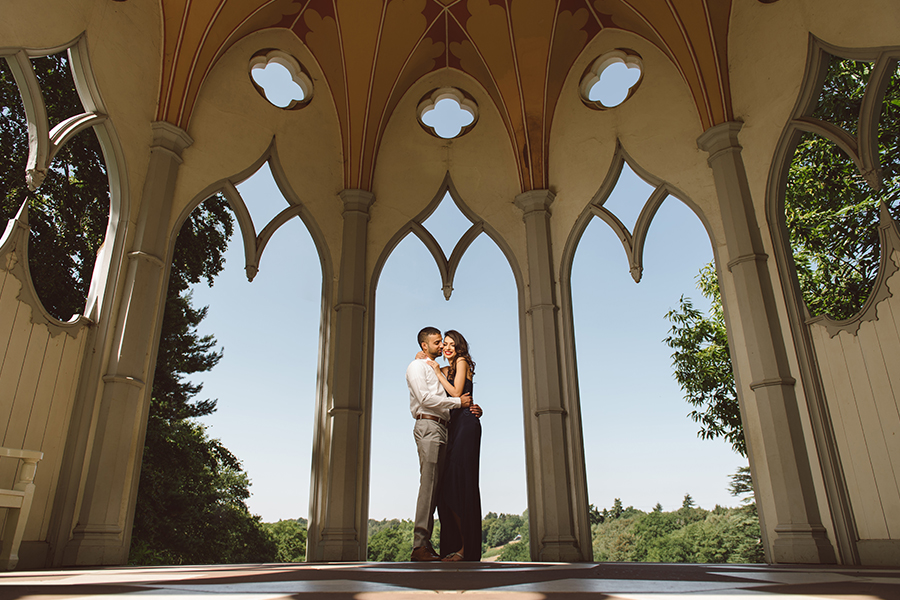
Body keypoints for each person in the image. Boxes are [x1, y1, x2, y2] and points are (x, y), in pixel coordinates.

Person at [406, 326, 472, 562]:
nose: (442, 347)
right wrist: (457, 403)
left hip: (443, 428)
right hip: (428, 426)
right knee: (428, 485)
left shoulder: (435, 368)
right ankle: (419, 546)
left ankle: (429, 544)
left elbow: (451, 382)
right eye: (437, 343)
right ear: (424, 346)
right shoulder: (416, 367)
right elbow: (424, 398)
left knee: (438, 488)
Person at [427, 330, 482, 562]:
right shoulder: (448, 369)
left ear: (459, 346)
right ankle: (453, 546)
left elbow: (457, 393)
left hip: (466, 427)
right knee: (446, 488)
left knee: (461, 485)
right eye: (444, 345)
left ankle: (464, 550)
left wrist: (437, 372)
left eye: (451, 344)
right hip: (452, 427)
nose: (447, 348)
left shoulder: (460, 362)